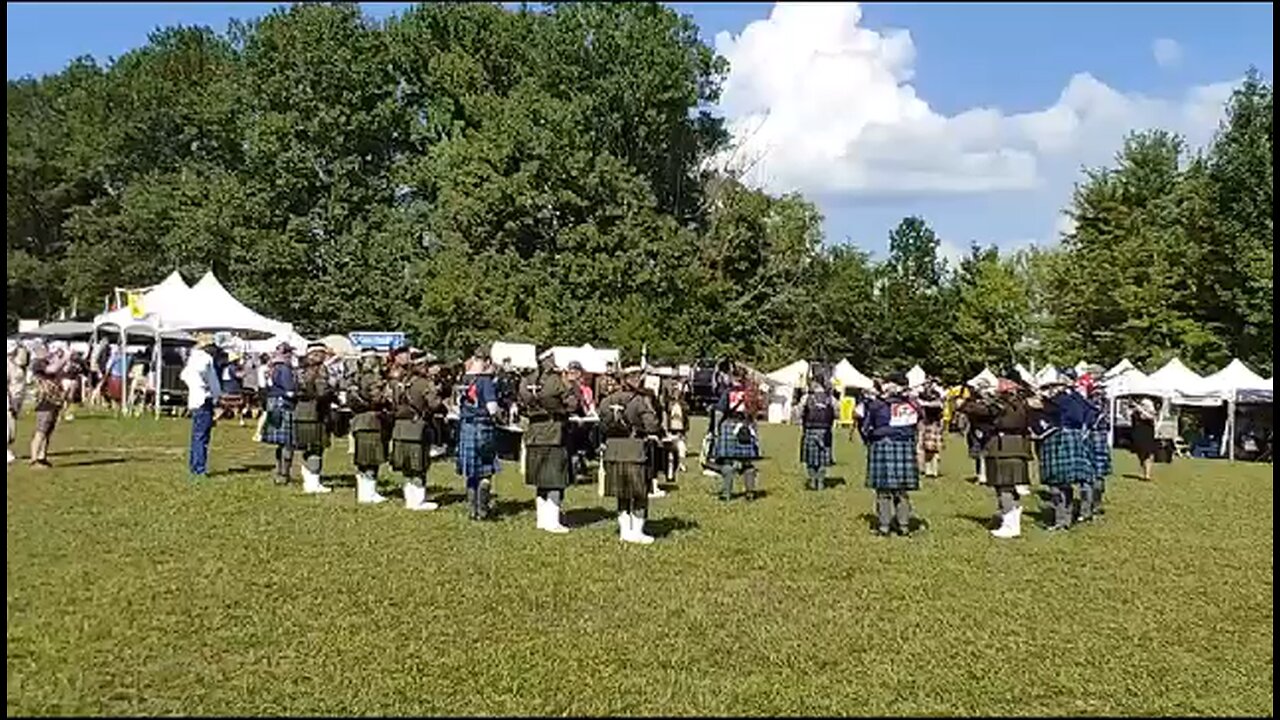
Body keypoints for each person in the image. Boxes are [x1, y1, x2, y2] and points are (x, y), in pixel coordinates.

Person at [599, 367, 663, 544]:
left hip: (613, 451)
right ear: (634, 379)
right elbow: (652, 425)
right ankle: (637, 532)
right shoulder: (641, 400)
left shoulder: (607, 400)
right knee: (639, 494)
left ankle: (624, 532)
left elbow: (601, 425)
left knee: (622, 494)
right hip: (635, 450)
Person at [520, 353, 580, 533]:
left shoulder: (526, 380)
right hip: (554, 432)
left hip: (533, 433)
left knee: (540, 479)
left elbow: (521, 404)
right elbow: (572, 404)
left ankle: (542, 519)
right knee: (555, 479)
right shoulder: (557, 381)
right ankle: (552, 521)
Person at [969, 379, 1034, 538]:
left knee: (1004, 487)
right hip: (1019, 447)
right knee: (1009, 487)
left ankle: (1010, 524)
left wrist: (977, 397)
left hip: (1001, 447)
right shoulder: (1024, 404)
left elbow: (971, 409)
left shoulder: (1000, 406)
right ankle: (1010, 519)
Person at [860, 373, 920, 537]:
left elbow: (865, 426)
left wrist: (868, 440)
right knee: (901, 490)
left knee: (884, 490)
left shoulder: (877, 405)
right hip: (905, 445)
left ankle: (884, 527)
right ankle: (904, 527)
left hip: (882, 444)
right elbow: (919, 418)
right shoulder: (912, 404)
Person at [1035, 377, 1098, 530]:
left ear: (1059, 387)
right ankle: (1075, 515)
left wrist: (1040, 399)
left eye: (1051, 386)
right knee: (1072, 481)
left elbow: (1040, 408)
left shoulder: (1057, 401)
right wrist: (1084, 428)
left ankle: (1062, 519)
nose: (1050, 390)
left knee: (1057, 482)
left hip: (1058, 439)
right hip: (1075, 438)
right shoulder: (1077, 398)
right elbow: (1093, 412)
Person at [390, 351, 445, 511]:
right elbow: (434, 404)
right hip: (417, 428)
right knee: (418, 467)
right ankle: (418, 501)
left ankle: (409, 499)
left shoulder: (399, 381)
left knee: (407, 467)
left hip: (399, 427)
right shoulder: (424, 383)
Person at [456, 344, 501, 520]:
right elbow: (492, 408)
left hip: (466, 425)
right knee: (486, 470)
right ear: (487, 361)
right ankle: (483, 510)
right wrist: (501, 417)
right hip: (483, 427)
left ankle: (472, 510)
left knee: (471, 472)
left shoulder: (464, 379)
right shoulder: (485, 381)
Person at [711, 366, 763, 502]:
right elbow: (755, 414)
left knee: (727, 461)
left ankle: (727, 494)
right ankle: (750, 493)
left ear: (732, 377)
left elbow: (719, 412)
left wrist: (716, 427)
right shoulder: (750, 393)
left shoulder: (728, 393)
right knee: (747, 463)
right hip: (747, 427)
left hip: (730, 426)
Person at [291, 342, 334, 495]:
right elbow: (322, 393)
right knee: (316, 448)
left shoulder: (297, 370)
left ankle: (309, 479)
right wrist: (332, 393)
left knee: (306, 448)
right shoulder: (321, 370)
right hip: (316, 414)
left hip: (299, 412)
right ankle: (313, 483)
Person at [349, 348, 391, 505]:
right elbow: (378, 399)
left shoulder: (355, 378)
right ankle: (369, 494)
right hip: (372, 421)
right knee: (371, 459)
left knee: (362, 459)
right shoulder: (373, 379)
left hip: (358, 421)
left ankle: (364, 493)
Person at [179, 334, 222, 479]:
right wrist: (216, 395)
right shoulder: (206, 359)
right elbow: (213, 381)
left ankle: (194, 465)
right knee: (202, 437)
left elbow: (184, 375)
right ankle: (199, 468)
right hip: (204, 399)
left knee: (196, 436)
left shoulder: (192, 359)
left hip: (195, 399)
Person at [261, 344, 299, 484]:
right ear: (287, 354)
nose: (291, 356)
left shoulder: (273, 367)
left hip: (273, 403)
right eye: (290, 353)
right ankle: (284, 474)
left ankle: (279, 472)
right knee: (287, 442)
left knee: (281, 443)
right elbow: (289, 390)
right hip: (284, 404)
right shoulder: (284, 369)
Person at [799, 380, 836, 491]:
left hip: (810, 430)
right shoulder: (831, 399)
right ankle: (820, 483)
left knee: (810, 460)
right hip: (825, 431)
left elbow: (799, 413)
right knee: (822, 460)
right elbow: (837, 414)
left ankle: (812, 481)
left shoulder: (806, 398)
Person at [916, 380, 945, 478]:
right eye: (925, 384)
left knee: (935, 449)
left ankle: (935, 470)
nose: (928, 386)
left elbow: (940, 406)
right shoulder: (921, 395)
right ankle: (928, 470)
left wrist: (926, 404)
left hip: (935, 423)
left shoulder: (937, 395)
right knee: (925, 448)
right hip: (924, 423)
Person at [8, 345, 31, 465]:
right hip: (9, 399)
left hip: (17, 399)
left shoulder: (21, 367)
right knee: (9, 426)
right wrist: (9, 402)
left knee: (13, 425)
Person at [1130, 396, 1158, 482]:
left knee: (1149, 454)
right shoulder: (1136, 412)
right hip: (1138, 435)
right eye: (1142, 404)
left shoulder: (1151, 412)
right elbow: (1130, 418)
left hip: (1148, 434)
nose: (1142, 405)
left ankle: (1147, 475)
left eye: (1144, 404)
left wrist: (1141, 410)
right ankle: (1144, 468)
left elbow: (1150, 418)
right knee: (1141, 454)